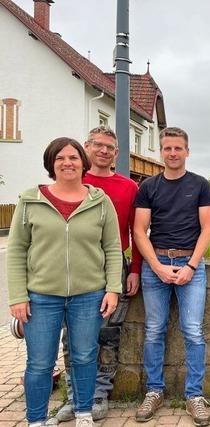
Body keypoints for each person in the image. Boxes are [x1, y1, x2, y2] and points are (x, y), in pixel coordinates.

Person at [7, 137, 122, 427]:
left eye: (73, 157)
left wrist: (112, 289)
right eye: (60, 158)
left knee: (84, 357)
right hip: (42, 297)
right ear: (51, 163)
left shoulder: (100, 201)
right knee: (40, 363)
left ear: (83, 163)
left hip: (89, 295)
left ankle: (83, 413)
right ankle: (36, 420)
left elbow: (112, 248)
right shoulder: (30, 200)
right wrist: (18, 296)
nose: (67, 163)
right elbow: (18, 249)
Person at [56, 126, 142, 421]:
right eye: (98, 145)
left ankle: (99, 394)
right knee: (72, 336)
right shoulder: (73, 181)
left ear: (117, 154)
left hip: (115, 265)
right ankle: (74, 396)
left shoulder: (129, 187)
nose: (104, 151)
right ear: (87, 147)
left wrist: (136, 270)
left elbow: (138, 232)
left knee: (108, 334)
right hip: (76, 266)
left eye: (110, 147)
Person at [133, 127, 210, 426]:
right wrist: (157, 266)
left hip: (190, 264)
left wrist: (191, 266)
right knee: (154, 329)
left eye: (178, 148)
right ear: (161, 151)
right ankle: (154, 391)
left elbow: (207, 228)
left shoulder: (200, 185)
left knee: (193, 330)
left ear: (187, 151)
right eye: (167, 148)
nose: (172, 153)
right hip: (156, 265)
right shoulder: (148, 187)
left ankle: (194, 396)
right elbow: (139, 230)